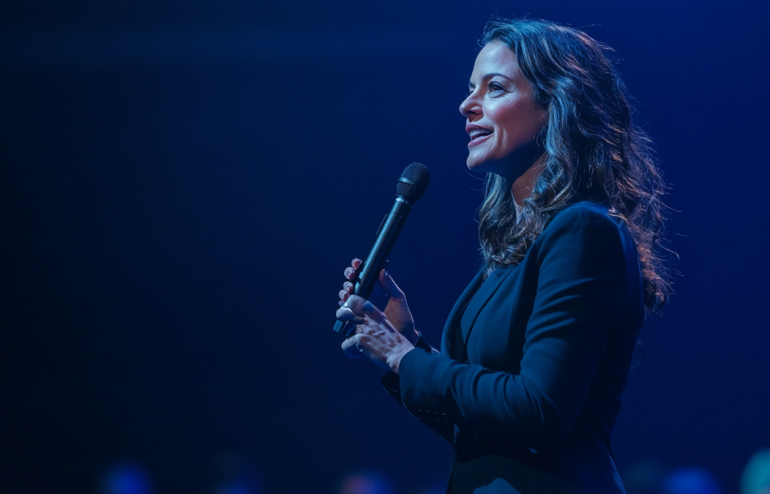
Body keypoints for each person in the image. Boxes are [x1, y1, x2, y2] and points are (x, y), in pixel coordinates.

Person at [336, 17, 669, 494]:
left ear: (556, 105)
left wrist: (403, 358)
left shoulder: (584, 231)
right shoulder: (519, 247)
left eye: (494, 88)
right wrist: (406, 343)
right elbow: (482, 434)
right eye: (470, 89)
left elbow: (539, 411)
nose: (466, 105)